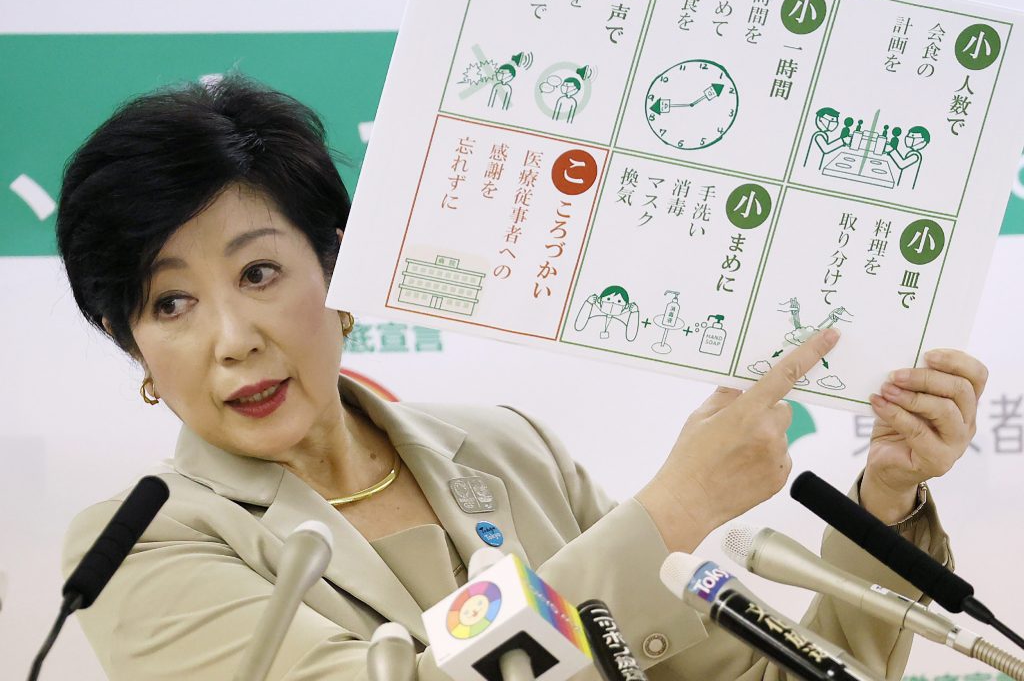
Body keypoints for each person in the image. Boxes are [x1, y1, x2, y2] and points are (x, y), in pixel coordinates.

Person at [58, 75, 984, 680]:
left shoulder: (507, 447)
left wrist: (886, 501)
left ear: (343, 270)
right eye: (168, 305)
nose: (231, 340)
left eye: (258, 274)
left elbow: (797, 674)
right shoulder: (138, 547)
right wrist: (664, 518)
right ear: (130, 343)